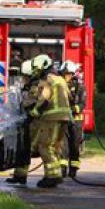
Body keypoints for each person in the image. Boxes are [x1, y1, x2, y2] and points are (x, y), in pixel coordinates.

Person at [30, 54, 72, 188]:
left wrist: (34, 112)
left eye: (37, 69)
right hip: (65, 118)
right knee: (54, 146)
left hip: (51, 118)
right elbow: (70, 98)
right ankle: (56, 174)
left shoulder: (47, 80)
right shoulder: (60, 79)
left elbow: (44, 98)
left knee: (45, 146)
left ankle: (52, 177)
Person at [7, 59, 38, 185]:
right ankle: (20, 175)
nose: (23, 78)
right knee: (22, 148)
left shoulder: (35, 87)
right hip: (25, 122)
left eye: (25, 76)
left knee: (28, 149)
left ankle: (52, 176)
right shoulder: (28, 86)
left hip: (32, 122)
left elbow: (29, 104)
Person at [59, 61, 85, 177]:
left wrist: (73, 109)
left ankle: (73, 169)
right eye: (64, 74)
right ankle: (62, 168)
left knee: (74, 145)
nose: (66, 76)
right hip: (63, 119)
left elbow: (82, 103)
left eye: (68, 74)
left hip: (76, 120)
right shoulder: (60, 85)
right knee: (62, 145)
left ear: (73, 74)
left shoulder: (79, 86)